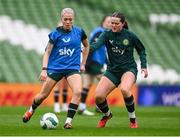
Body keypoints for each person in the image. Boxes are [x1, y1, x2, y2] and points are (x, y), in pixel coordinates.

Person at [22, 8, 89, 129]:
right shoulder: (55, 34)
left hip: (72, 68)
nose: (68, 22)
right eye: (65, 19)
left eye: (70, 19)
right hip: (56, 68)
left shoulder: (79, 32)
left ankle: (68, 122)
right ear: (61, 19)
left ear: (73, 19)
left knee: (78, 91)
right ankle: (31, 110)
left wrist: (83, 63)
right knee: (42, 95)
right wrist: (44, 69)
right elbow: (47, 52)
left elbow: (86, 46)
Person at [90, 11, 148, 128]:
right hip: (112, 71)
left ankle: (132, 119)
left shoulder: (130, 36)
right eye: (112, 23)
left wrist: (144, 66)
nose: (113, 25)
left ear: (122, 24)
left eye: (116, 23)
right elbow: (96, 45)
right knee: (98, 96)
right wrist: (85, 49)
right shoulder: (106, 34)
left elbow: (141, 50)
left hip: (128, 69)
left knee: (125, 89)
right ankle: (107, 115)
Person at [78, 15, 112, 116]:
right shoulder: (100, 32)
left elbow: (102, 50)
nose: (110, 23)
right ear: (103, 22)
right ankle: (99, 106)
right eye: (108, 21)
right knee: (106, 83)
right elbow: (93, 46)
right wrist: (88, 61)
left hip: (92, 61)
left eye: (111, 22)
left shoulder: (100, 31)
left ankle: (82, 107)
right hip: (94, 62)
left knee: (87, 84)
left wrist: (106, 62)